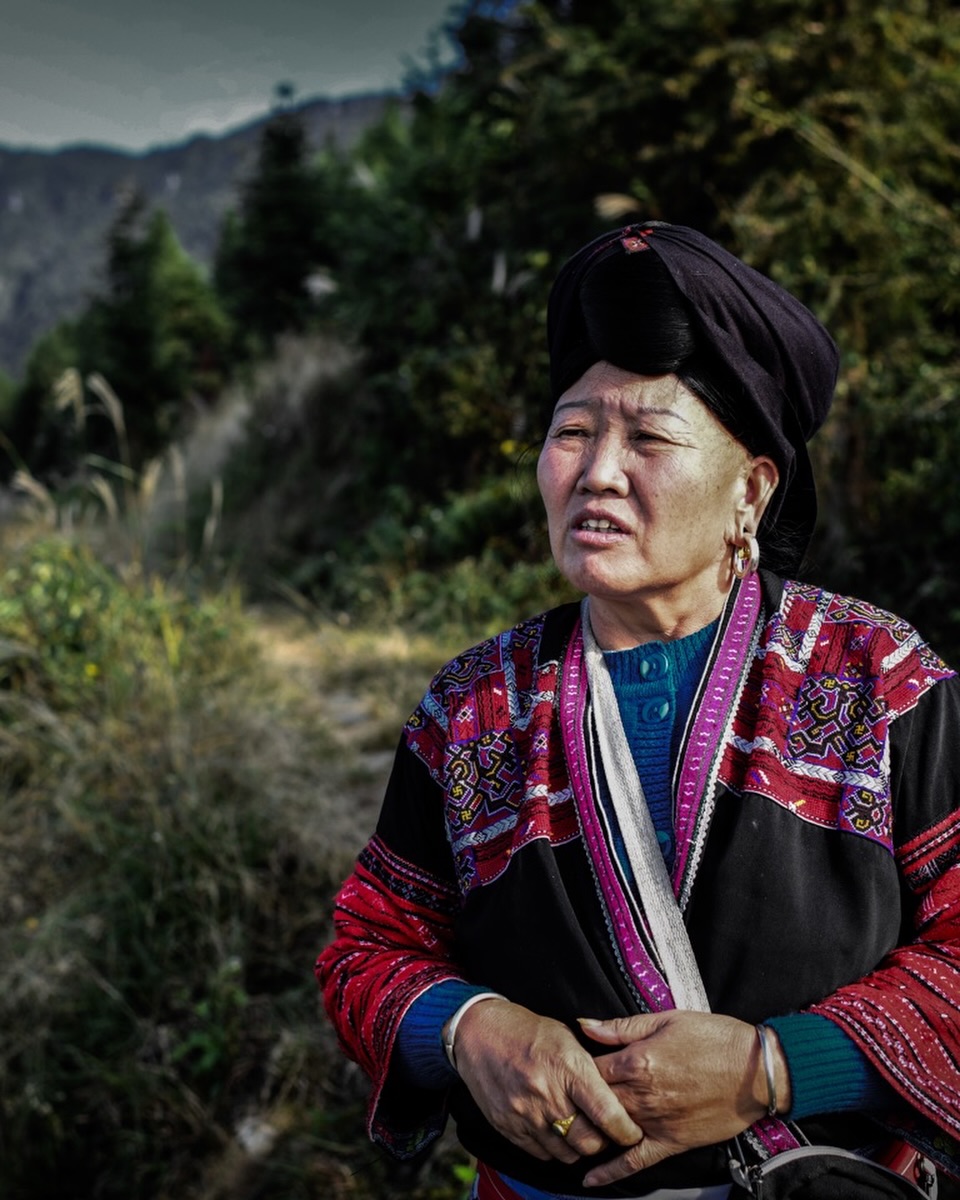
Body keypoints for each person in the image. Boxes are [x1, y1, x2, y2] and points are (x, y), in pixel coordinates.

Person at [315, 221, 960, 1199]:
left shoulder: (880, 679)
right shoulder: (474, 708)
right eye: (572, 432)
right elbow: (366, 947)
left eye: (649, 438)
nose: (595, 472)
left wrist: (771, 1069)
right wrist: (466, 1028)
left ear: (750, 490)